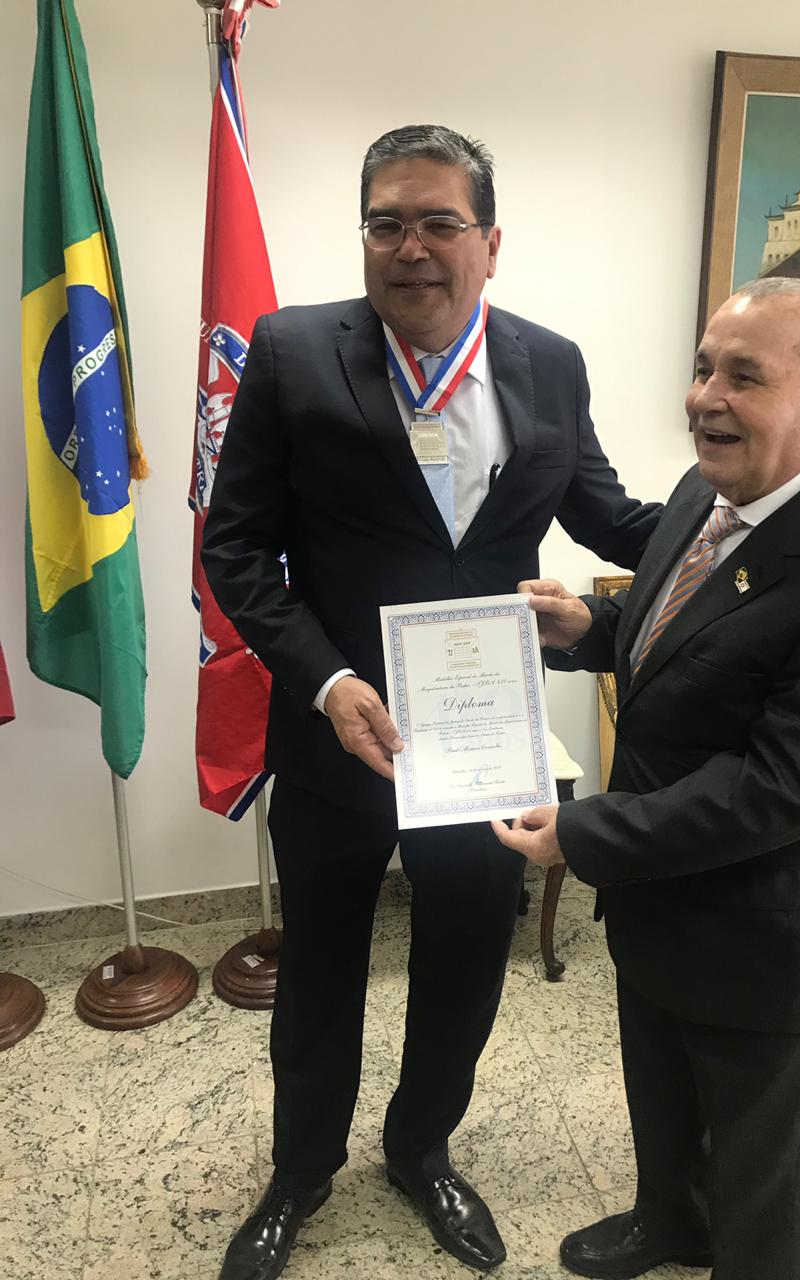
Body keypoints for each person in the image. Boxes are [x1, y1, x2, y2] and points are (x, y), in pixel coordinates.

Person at [202, 123, 662, 1280]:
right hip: (338, 736)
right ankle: (300, 1168)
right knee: (321, 968)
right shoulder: (294, 352)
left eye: (439, 222)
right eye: (386, 223)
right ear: (365, 237)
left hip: (483, 742)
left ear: (490, 243)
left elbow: (609, 514)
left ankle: (421, 1148)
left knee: (464, 958)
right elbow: (237, 548)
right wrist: (329, 680)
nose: (410, 246)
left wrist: (741, 521)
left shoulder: (549, 363)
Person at [494, 278, 800, 1280]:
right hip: (664, 892)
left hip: (769, 933)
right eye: (704, 367)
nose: (706, 396)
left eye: (744, 375)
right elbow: (679, 635)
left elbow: (777, 789)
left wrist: (582, 833)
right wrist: (588, 628)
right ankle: (671, 1222)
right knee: (662, 1094)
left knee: (764, 1172)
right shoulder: (714, 488)